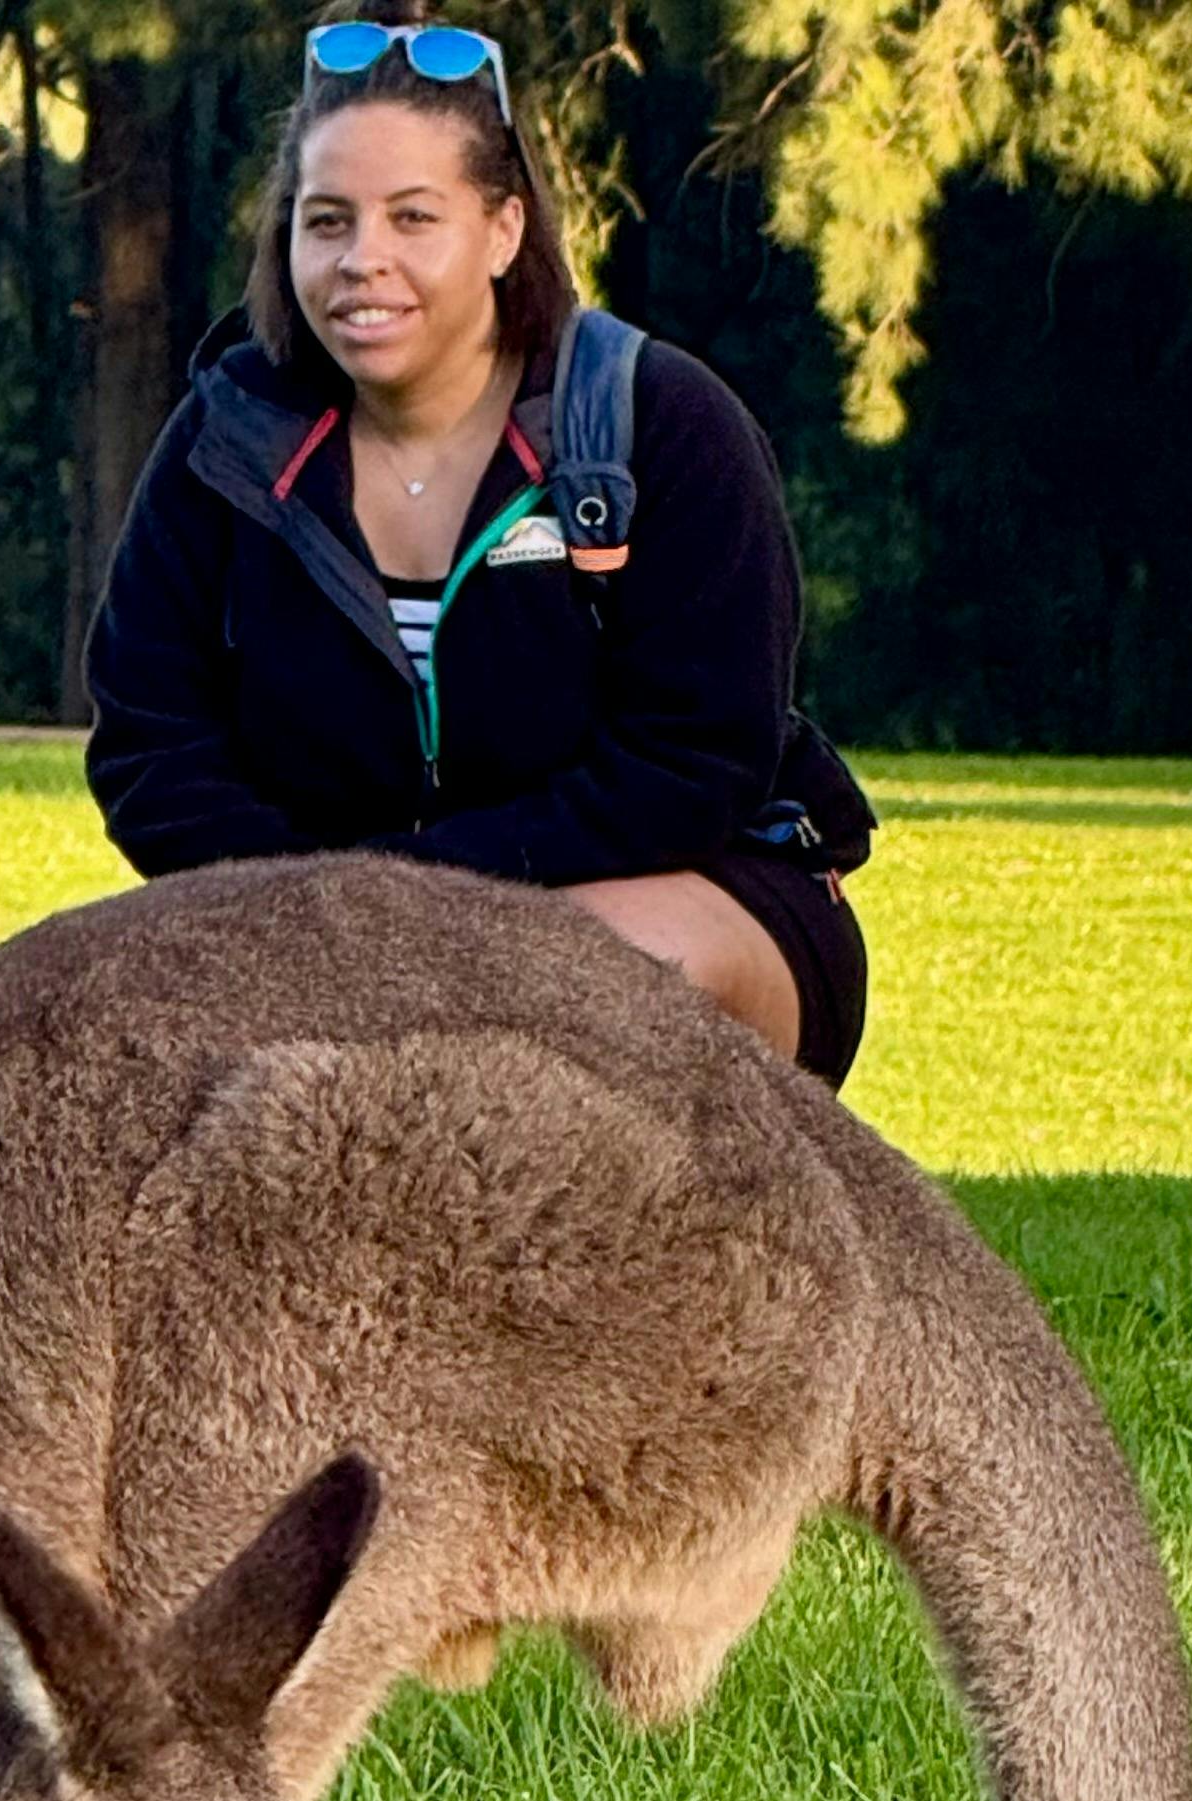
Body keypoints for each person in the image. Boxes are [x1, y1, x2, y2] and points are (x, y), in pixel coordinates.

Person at [82, 2, 874, 1086]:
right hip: (310, 926)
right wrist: (312, 910)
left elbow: (696, 766)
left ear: (504, 230)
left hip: (676, 893)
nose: (362, 261)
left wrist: (411, 899)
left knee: (569, 983)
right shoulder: (225, 442)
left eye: (414, 219)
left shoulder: (660, 423)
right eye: (327, 221)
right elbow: (150, 748)